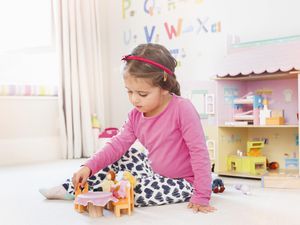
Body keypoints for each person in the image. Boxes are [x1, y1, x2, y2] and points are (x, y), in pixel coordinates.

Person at [40, 43, 215, 213]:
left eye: (142, 94)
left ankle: (106, 192)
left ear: (165, 86)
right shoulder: (135, 115)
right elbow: (116, 145)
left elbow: (199, 152)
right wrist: (88, 167)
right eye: (129, 92)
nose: (134, 100)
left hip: (183, 182)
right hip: (152, 172)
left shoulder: (182, 109)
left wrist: (202, 195)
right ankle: (71, 188)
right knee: (122, 156)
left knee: (131, 193)